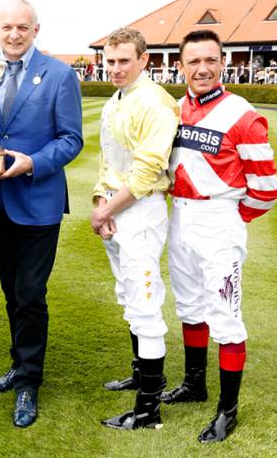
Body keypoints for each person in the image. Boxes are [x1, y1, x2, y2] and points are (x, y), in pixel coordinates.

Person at [162, 29, 277, 443]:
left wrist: (230, 219)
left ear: (223, 63)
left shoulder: (242, 115)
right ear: (180, 66)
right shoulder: (174, 109)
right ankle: (194, 384)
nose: (202, 68)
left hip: (219, 219)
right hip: (180, 216)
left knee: (225, 318)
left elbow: (266, 189)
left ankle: (227, 412)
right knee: (189, 305)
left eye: (210, 60)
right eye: (193, 61)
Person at [0, 0, 83, 428]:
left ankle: (28, 382)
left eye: (22, 27)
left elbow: (71, 139)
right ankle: (18, 365)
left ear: (35, 30)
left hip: (38, 202)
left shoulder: (59, 74)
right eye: (7, 27)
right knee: (11, 291)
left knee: (29, 293)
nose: (14, 34)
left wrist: (32, 163)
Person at [90, 27, 178, 431]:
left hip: (140, 210)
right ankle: (141, 376)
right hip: (117, 207)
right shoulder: (117, 99)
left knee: (144, 305)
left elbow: (146, 172)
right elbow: (108, 161)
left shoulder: (156, 102)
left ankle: (148, 411)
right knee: (128, 296)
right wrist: (101, 201)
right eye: (110, 61)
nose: (115, 68)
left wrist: (106, 209)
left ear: (144, 60)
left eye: (124, 60)